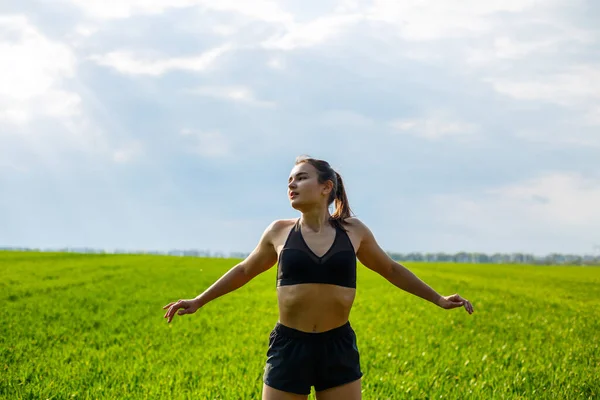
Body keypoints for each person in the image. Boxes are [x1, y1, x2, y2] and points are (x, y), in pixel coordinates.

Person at [163, 155, 474, 400]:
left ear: (326, 187)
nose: (292, 185)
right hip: (289, 345)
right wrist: (200, 300)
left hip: (336, 346)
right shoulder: (279, 232)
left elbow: (390, 269)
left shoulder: (354, 232)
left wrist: (438, 298)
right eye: (289, 180)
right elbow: (245, 270)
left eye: (301, 178)